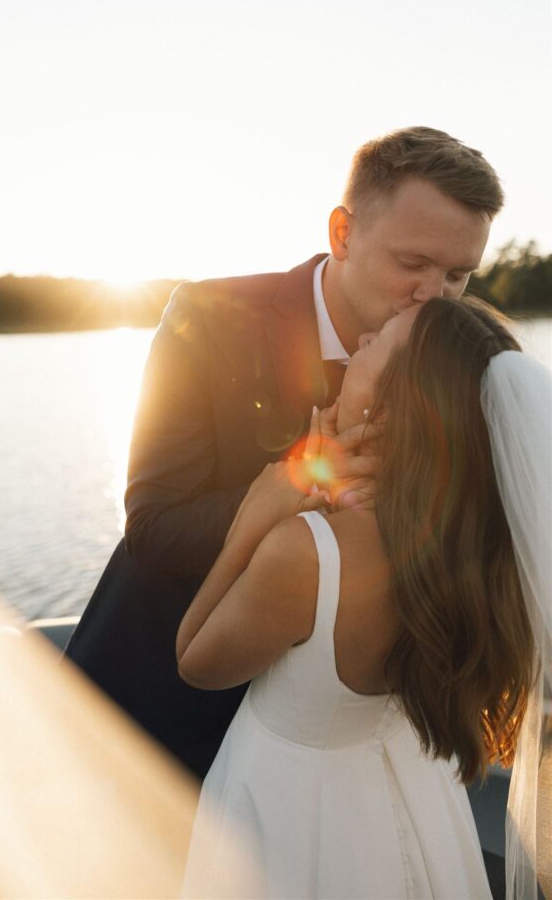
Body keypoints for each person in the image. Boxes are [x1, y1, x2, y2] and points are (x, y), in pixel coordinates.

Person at [65, 126, 504, 778]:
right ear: (342, 234)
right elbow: (153, 528)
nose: (432, 295)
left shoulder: (455, 368)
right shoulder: (209, 317)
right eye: (412, 264)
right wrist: (307, 483)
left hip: (332, 728)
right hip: (160, 706)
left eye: (457, 275)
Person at [178, 296, 550, 900]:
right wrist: (324, 484)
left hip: (292, 815)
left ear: (391, 404)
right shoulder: (466, 544)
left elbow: (194, 658)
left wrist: (257, 512)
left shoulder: (303, 556)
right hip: (416, 801)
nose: (356, 347)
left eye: (374, 343)